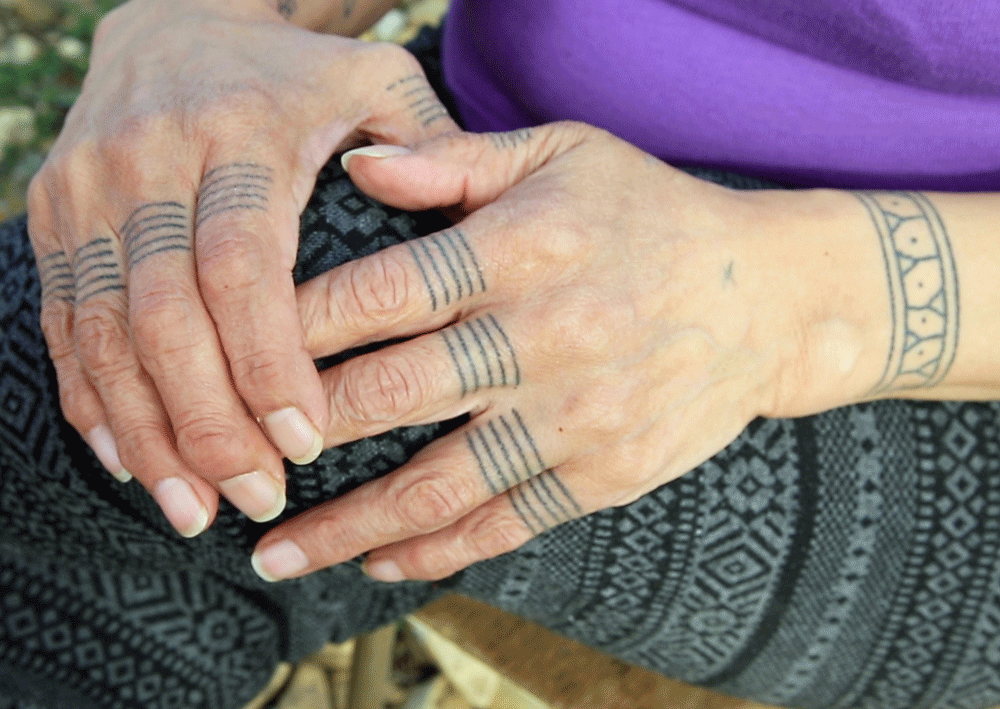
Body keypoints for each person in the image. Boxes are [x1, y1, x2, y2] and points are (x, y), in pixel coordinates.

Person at [2, 0, 1000, 707]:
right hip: (477, 144)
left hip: (920, 362)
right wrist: (204, 25)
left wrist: (786, 306)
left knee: (189, 349)